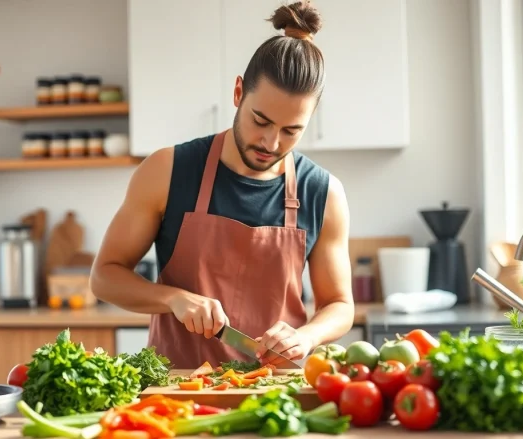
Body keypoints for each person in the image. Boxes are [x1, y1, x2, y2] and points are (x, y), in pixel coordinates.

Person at [90, 0, 354, 369]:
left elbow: (339, 305)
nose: (271, 143)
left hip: (274, 391)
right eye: (260, 120)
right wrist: (173, 299)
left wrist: (306, 336)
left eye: (292, 130)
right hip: (178, 388)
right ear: (237, 93)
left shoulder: (323, 193)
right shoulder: (167, 171)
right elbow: (105, 277)